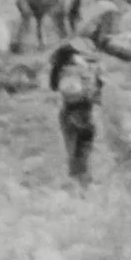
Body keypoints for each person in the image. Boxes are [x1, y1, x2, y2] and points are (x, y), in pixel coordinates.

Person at [49, 32, 103, 182]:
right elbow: (90, 93)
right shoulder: (79, 69)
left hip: (74, 114)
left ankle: (79, 183)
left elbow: (54, 87)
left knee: (76, 153)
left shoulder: (66, 68)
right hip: (80, 114)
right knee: (81, 153)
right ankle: (82, 184)